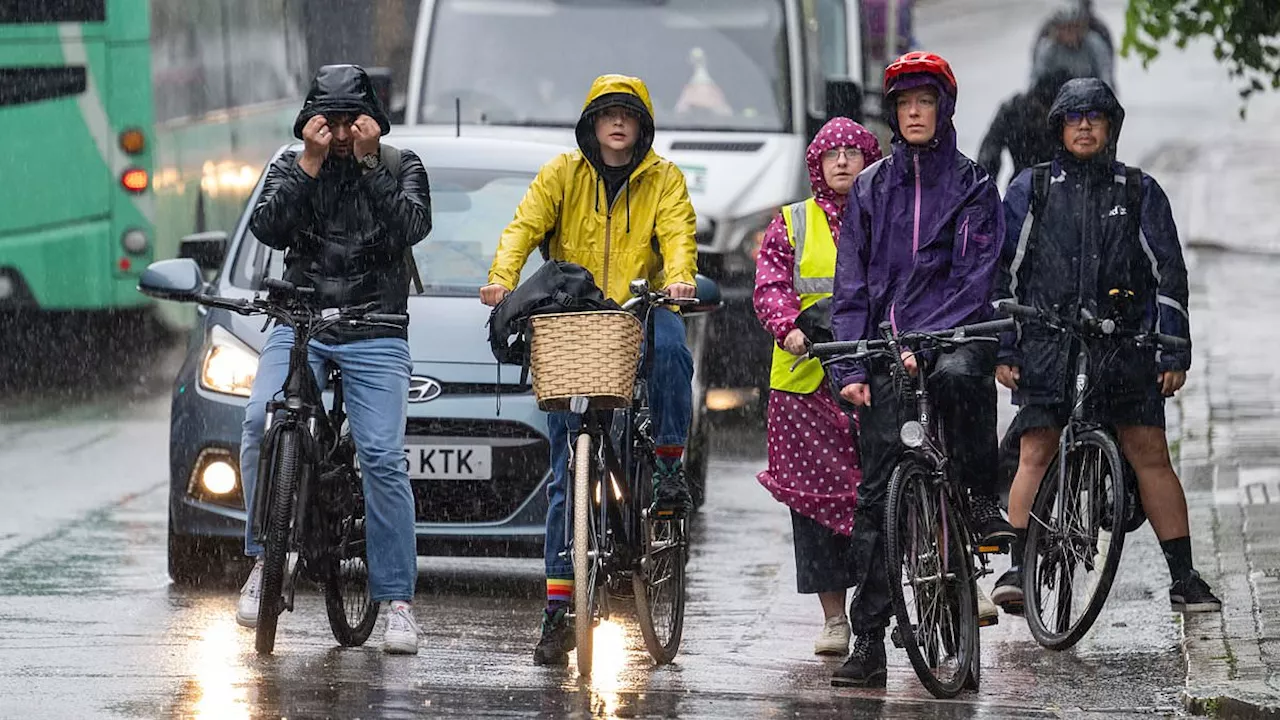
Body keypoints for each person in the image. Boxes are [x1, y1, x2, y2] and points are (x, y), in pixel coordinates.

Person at [480, 74, 699, 666]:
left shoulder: (665, 178)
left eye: (629, 115)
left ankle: (669, 466)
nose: (618, 123)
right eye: (608, 115)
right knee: (563, 474)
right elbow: (522, 228)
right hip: (574, 323)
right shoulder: (560, 174)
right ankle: (557, 612)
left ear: (642, 126)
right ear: (592, 125)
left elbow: (679, 234)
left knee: (675, 349)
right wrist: (502, 280)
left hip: (639, 308)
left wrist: (677, 277)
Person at [990, 77, 1221, 616]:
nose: (1086, 125)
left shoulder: (1139, 191)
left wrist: (1173, 350)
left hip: (1126, 347)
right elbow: (1003, 275)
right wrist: (1006, 347)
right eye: (1075, 117)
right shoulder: (1032, 189)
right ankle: (1019, 568)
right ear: (1060, 127)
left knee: (1149, 454)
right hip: (1048, 345)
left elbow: (1170, 274)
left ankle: (1184, 578)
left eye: (1096, 117)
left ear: (1111, 127)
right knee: (1036, 449)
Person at [828, 51, 1012, 688]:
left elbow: (974, 277)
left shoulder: (973, 185)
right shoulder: (872, 188)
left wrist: (928, 343)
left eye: (924, 101)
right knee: (878, 496)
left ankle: (980, 499)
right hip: (884, 347)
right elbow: (851, 286)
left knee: (965, 377)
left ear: (943, 109)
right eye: (903, 103)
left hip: (952, 335)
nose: (913, 112)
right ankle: (871, 637)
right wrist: (850, 363)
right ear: (892, 112)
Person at [237, 65, 432, 654]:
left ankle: (396, 600)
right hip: (301, 321)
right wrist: (309, 164)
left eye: (353, 121)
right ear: (311, 121)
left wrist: (371, 165)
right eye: (332, 121)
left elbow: (412, 227)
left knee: (379, 454)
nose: (343, 133)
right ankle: (266, 557)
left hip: (375, 325)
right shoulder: (293, 165)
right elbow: (268, 229)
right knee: (256, 424)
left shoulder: (401, 165)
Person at [754, 117, 881, 658]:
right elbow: (771, 285)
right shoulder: (791, 223)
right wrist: (791, 328)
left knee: (880, 498)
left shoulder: (887, 215)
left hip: (875, 375)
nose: (844, 161)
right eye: (833, 154)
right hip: (804, 387)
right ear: (816, 165)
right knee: (812, 507)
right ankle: (835, 621)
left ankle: (889, 606)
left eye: (854, 152)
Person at [977, 67, 1076, 182]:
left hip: (1027, 184)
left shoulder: (1014, 110)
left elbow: (988, 156)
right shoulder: (1014, 112)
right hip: (1030, 186)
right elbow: (989, 156)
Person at [1030, 1, 1114, 90]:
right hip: (1057, 94)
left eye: (1074, 27)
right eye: (1065, 28)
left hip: (1088, 92)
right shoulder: (1047, 49)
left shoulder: (1095, 44)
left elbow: (1105, 75)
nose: (1070, 33)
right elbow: (1036, 80)